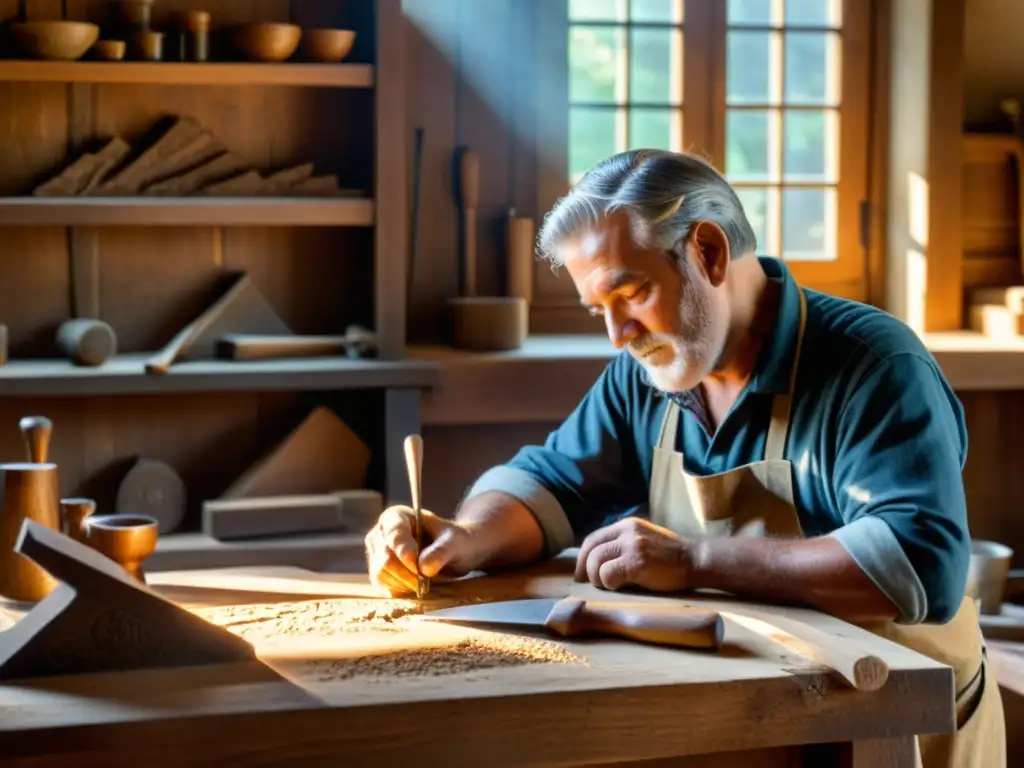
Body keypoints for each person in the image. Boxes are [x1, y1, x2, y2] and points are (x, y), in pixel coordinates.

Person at [364, 149, 1003, 767]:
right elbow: (549, 482)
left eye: (632, 293)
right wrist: (467, 535)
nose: (618, 336)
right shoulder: (651, 372)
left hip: (905, 728)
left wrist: (695, 559)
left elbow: (919, 564)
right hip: (766, 721)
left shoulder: (874, 366)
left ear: (708, 252)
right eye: (600, 312)